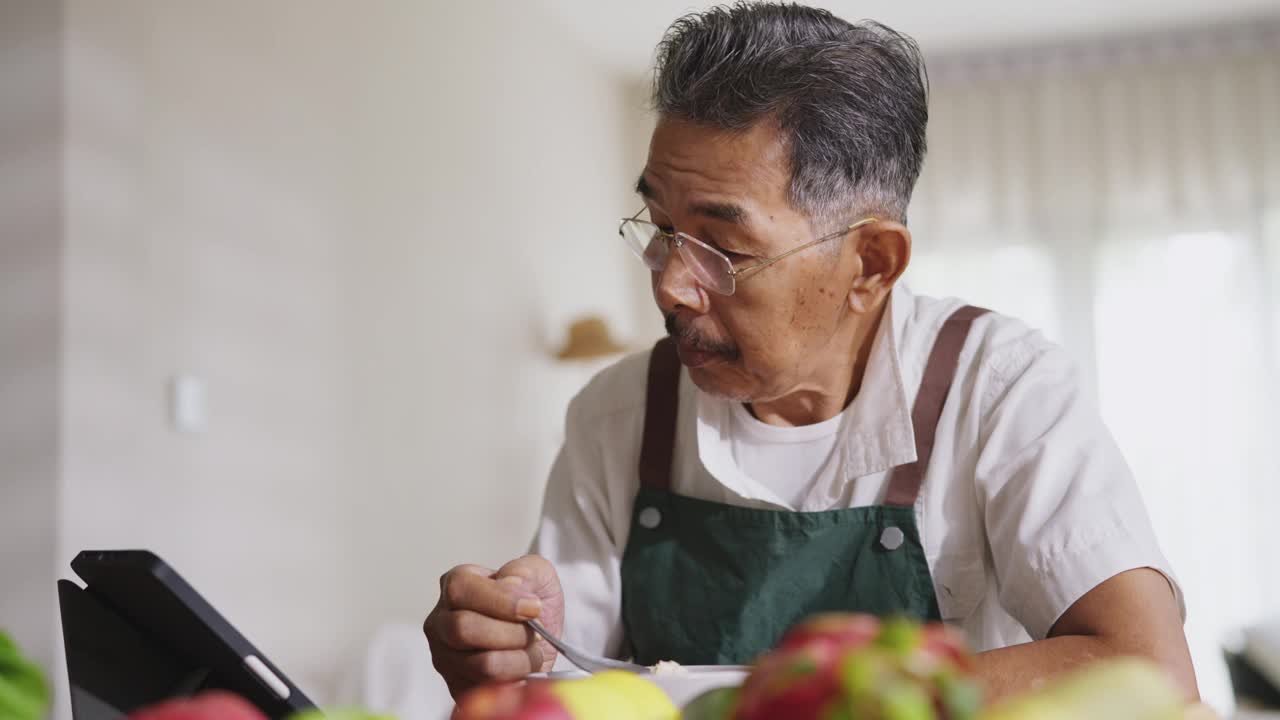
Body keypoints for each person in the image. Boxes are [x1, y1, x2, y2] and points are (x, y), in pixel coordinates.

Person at [423, 2, 1197, 702]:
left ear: (871, 265)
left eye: (722, 247)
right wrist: (507, 644)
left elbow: (1147, 667)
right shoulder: (617, 415)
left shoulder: (999, 388)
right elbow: (559, 674)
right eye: (661, 228)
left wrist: (819, 696)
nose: (671, 289)